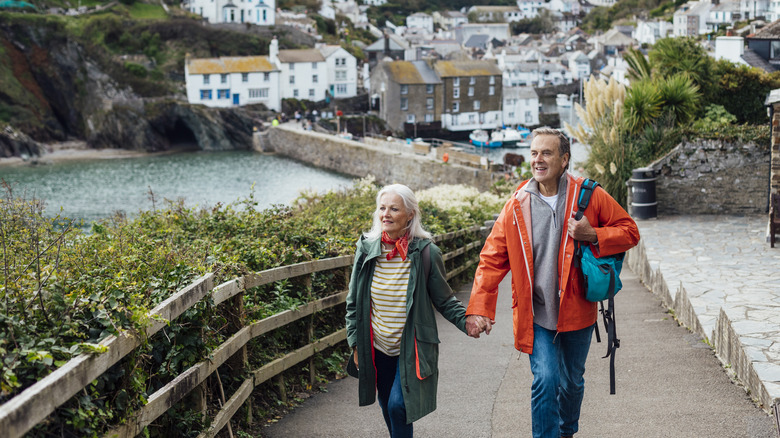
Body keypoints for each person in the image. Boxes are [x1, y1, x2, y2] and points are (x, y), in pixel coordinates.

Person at [465, 128, 640, 438]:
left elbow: (630, 231)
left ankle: (567, 431)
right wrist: (479, 308)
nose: (538, 159)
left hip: (577, 311)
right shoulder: (517, 205)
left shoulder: (589, 195)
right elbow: (492, 258)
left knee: (571, 381)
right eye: (534, 153)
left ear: (564, 159)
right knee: (545, 380)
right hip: (537, 314)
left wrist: (593, 235)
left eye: (546, 153)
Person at [345, 184, 468, 438]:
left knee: (398, 406)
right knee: (387, 405)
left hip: (411, 348)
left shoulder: (425, 253)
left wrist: (469, 322)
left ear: (410, 214)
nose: (385, 214)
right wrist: (356, 343)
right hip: (377, 347)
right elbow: (353, 301)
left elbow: (444, 300)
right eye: (382, 208)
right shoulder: (367, 249)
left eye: (394, 209)